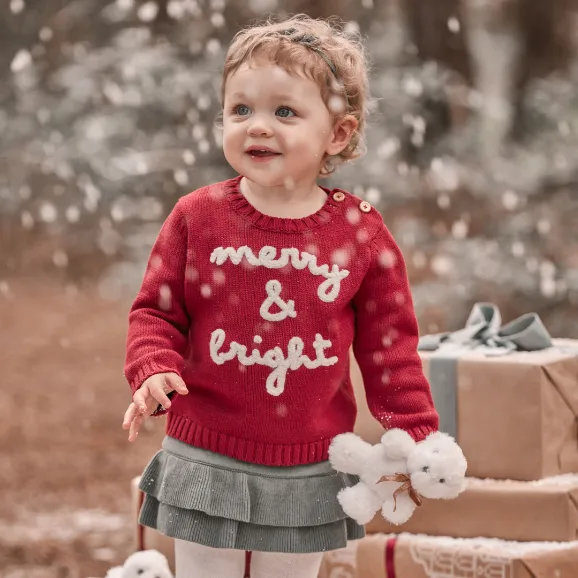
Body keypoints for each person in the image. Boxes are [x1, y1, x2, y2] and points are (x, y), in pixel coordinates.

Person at [122, 14, 439, 578]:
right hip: (207, 450)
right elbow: (156, 310)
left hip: (308, 458)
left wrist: (413, 431)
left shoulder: (360, 234)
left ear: (337, 134)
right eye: (240, 110)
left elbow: (391, 345)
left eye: (284, 111)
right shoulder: (198, 217)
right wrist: (152, 365)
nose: (257, 127)